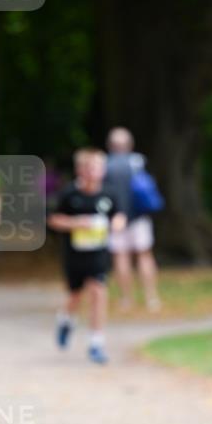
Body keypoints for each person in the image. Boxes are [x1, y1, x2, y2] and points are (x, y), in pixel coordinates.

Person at [48, 147, 127, 364]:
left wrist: (117, 224)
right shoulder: (69, 194)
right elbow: (54, 219)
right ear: (80, 170)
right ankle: (65, 320)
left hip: (98, 254)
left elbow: (119, 215)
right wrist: (75, 223)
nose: (93, 172)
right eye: (89, 167)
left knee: (98, 292)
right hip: (75, 255)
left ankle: (96, 342)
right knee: (75, 295)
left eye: (98, 167)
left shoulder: (109, 193)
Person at [105, 127, 162, 313]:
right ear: (130, 144)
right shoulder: (138, 161)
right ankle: (151, 297)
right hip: (139, 216)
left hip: (116, 218)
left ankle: (126, 299)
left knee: (121, 257)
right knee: (144, 255)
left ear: (110, 145)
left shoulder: (105, 165)